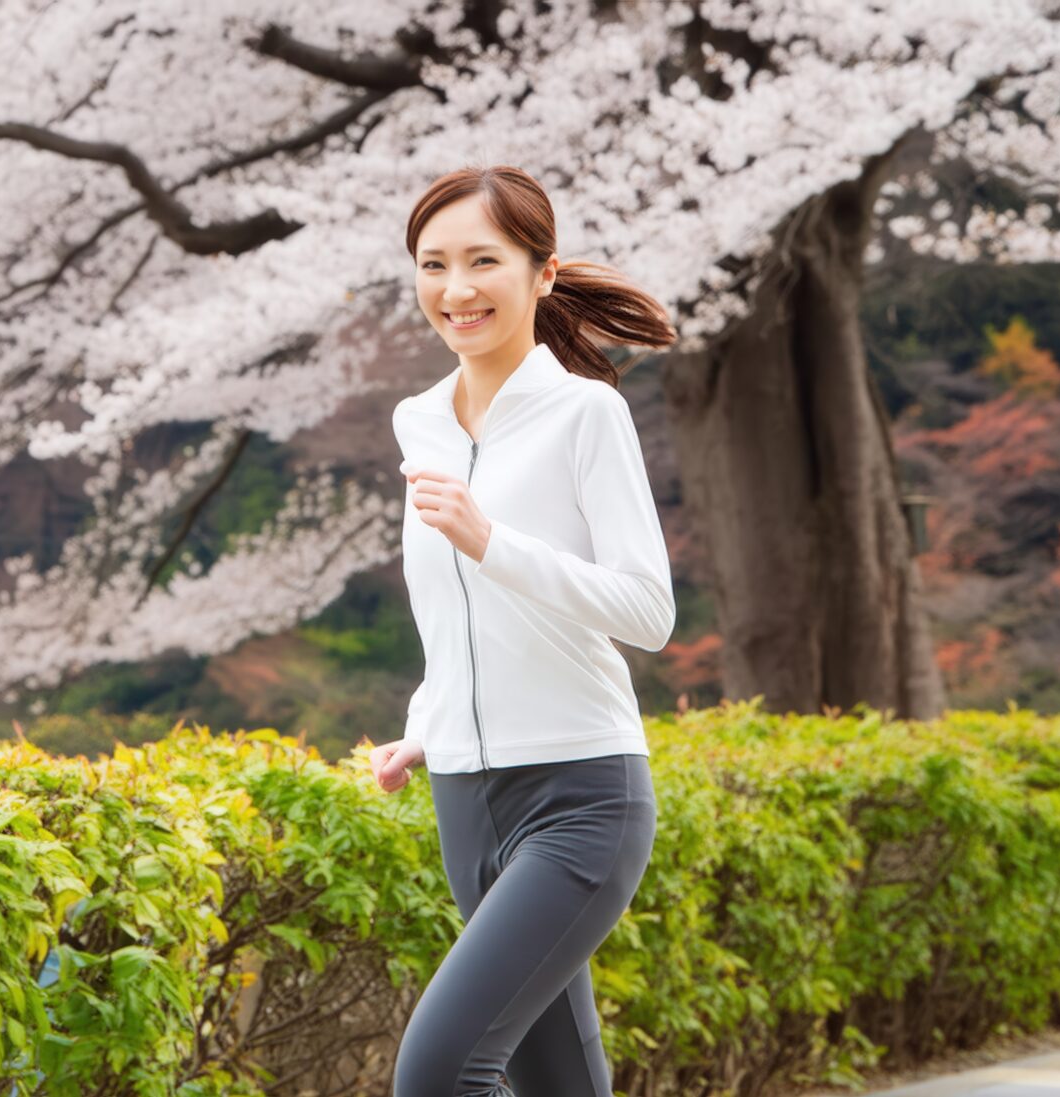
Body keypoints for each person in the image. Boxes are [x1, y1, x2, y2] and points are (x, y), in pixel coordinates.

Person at [369, 164, 678, 1097]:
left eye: (483, 261)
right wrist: (429, 721)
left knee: (440, 1073)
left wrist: (489, 537)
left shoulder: (588, 413)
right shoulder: (418, 421)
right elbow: (452, 612)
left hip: (581, 791)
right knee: (557, 1084)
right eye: (433, 264)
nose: (456, 289)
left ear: (541, 274)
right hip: (465, 795)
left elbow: (648, 610)